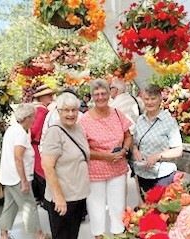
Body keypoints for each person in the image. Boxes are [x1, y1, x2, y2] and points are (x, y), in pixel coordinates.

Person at [79, 79, 133, 239]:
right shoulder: (85, 120)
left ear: (109, 94)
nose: (100, 97)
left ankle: (118, 235)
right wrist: (106, 156)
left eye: (103, 93)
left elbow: (128, 135)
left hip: (117, 169)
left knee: (118, 207)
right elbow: (83, 148)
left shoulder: (117, 113)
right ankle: (99, 236)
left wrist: (124, 149)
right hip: (95, 172)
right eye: (96, 94)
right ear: (92, 97)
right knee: (96, 208)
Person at [41, 93, 90, 239]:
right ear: (59, 112)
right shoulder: (54, 133)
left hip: (77, 196)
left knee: (72, 235)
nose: (71, 114)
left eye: (74, 110)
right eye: (66, 110)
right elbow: (48, 166)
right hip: (62, 199)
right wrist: (59, 197)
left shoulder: (79, 129)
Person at [0, 103, 50, 239]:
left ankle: (3, 234)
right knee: (29, 206)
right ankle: (39, 235)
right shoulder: (20, 133)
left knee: (10, 205)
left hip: (8, 176)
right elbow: (18, 158)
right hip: (17, 178)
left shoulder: (12, 130)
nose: (34, 120)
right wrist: (24, 181)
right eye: (33, 117)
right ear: (27, 118)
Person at [132, 84, 183, 199]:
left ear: (160, 99)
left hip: (163, 174)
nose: (149, 102)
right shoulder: (140, 120)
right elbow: (135, 142)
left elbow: (178, 150)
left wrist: (158, 156)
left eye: (153, 99)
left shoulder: (169, 121)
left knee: (162, 210)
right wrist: (135, 150)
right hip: (142, 173)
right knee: (146, 208)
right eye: (146, 99)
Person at [31, 84, 56, 204]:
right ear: (41, 97)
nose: (51, 97)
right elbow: (35, 130)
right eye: (48, 96)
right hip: (37, 144)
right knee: (42, 170)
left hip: (36, 144)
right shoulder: (42, 111)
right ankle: (43, 198)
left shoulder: (37, 109)